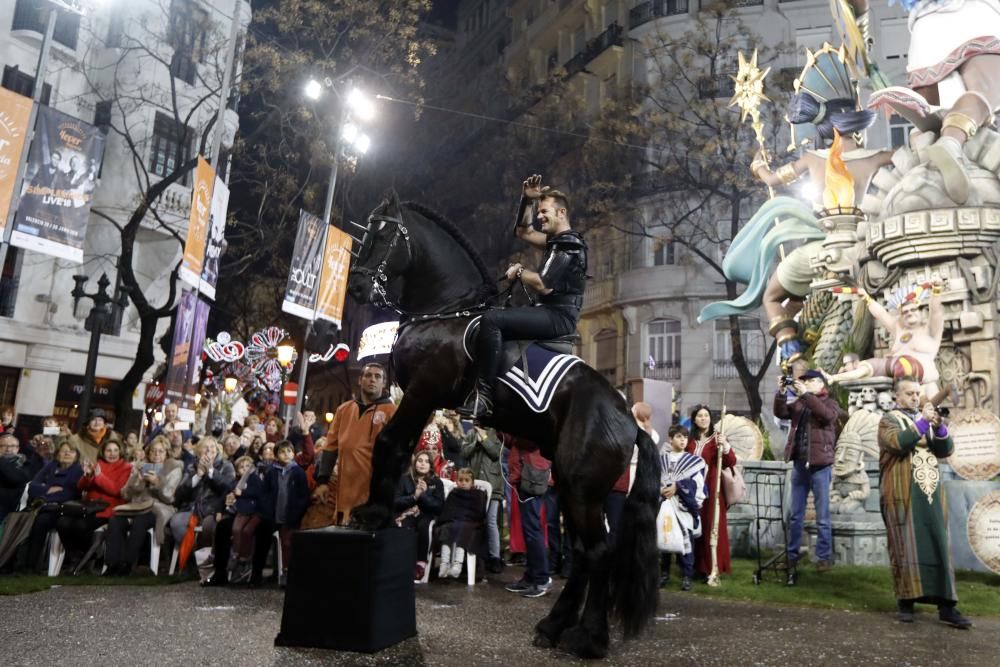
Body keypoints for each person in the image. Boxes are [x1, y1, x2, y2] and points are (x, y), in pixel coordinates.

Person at [459, 174, 587, 419]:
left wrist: (519, 270)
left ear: (561, 213)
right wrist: (527, 200)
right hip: (548, 311)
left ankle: (484, 397)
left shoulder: (569, 244)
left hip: (558, 316)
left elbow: (543, 283)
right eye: (538, 212)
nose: (539, 217)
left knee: (492, 320)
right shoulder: (555, 240)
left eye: (544, 211)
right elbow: (523, 232)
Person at [878, 377, 972, 628]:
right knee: (904, 547)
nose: (914, 397)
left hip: (930, 496)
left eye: (917, 393)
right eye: (909, 393)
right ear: (897, 396)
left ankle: (947, 607)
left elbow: (946, 450)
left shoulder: (926, 421)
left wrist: (939, 426)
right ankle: (906, 603)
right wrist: (923, 421)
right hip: (902, 494)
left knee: (939, 545)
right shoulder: (888, 420)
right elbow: (899, 443)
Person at [773, 370, 842, 585]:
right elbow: (782, 412)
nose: (805, 384)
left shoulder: (829, 403)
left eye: (810, 381)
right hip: (799, 464)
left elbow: (826, 416)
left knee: (822, 515)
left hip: (820, 465)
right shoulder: (801, 403)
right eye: (803, 381)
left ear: (820, 383)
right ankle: (792, 555)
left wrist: (805, 395)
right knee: (795, 514)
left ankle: (823, 557)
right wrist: (781, 392)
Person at [825, 278, 945, 398]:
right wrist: (867, 298)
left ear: (922, 312)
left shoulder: (930, 330)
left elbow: (935, 311)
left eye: (913, 309)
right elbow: (881, 314)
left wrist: (936, 291)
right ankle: (834, 378)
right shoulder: (899, 329)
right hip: (895, 384)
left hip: (924, 385)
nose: (909, 313)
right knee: (864, 368)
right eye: (905, 311)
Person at [314, 362, 396, 525]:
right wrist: (323, 481)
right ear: (360, 380)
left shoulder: (392, 411)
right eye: (368, 375)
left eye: (377, 376)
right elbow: (330, 447)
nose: (372, 379)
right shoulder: (343, 410)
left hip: (374, 495)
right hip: (345, 494)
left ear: (383, 383)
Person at [104, 436, 182, 575]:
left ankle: (127, 565)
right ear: (148, 453)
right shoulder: (139, 467)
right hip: (136, 507)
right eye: (153, 451)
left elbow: (170, 498)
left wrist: (157, 483)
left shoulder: (174, 468)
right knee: (115, 520)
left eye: (161, 451)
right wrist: (136, 483)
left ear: (167, 453)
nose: (157, 455)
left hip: (158, 508)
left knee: (140, 522)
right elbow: (125, 495)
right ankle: (112, 564)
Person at [56, 439, 130, 570]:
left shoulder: (126, 468)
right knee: (62, 522)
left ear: (120, 452)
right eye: (108, 450)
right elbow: (81, 487)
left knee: (81, 525)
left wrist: (99, 476)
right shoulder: (98, 464)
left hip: (108, 509)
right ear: (103, 452)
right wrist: (87, 475)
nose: (112, 453)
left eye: (115, 450)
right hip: (89, 507)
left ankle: (87, 555)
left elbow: (117, 490)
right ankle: (76, 555)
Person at [13, 442, 83, 572]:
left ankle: (30, 565)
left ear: (76, 456)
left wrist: (45, 495)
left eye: (71, 451)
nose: (67, 453)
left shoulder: (78, 470)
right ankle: (16, 561)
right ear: (57, 454)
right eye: (64, 451)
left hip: (62, 509)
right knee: (24, 519)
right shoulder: (51, 466)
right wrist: (48, 489)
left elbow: (71, 493)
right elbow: (33, 487)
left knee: (41, 521)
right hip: (43, 506)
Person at [685, 405, 736, 582]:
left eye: (706, 415)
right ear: (694, 419)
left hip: (711, 488)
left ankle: (712, 566)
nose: (703, 418)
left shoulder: (717, 438)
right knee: (693, 526)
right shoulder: (689, 440)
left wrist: (725, 446)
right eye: (700, 415)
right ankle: (693, 567)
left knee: (711, 525)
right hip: (691, 489)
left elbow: (731, 461)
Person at [504, 436, 558, 598]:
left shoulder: (536, 415)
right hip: (523, 474)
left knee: (533, 529)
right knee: (528, 528)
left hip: (532, 474)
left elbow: (532, 439)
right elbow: (508, 442)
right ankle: (531, 577)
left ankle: (541, 579)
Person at [168, 437, 235, 558]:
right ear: (198, 452)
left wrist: (211, 471)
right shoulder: (190, 467)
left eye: (212, 447)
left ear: (217, 450)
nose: (209, 450)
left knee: (211, 526)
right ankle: (194, 558)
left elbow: (228, 487)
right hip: (191, 509)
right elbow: (179, 495)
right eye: (205, 447)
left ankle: (206, 560)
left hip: (213, 510)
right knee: (176, 522)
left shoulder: (227, 466)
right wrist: (197, 476)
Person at [659, 425, 707, 591]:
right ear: (670, 439)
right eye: (679, 437)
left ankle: (687, 575)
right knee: (664, 537)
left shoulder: (693, 462)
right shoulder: (661, 460)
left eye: (685, 437)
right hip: (664, 505)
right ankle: (664, 573)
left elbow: (698, 485)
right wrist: (661, 490)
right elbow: (654, 480)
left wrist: (679, 487)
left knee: (686, 540)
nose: (682, 440)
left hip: (683, 507)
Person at [394, 450, 445, 582]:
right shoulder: (405, 479)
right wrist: (414, 497)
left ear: (431, 465)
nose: (422, 464)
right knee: (404, 525)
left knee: (423, 525)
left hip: (427, 515)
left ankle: (420, 564)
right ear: (415, 462)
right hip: (407, 514)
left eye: (426, 461)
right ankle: (402, 564)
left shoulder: (436, 482)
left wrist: (424, 495)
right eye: (420, 461)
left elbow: (439, 507)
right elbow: (395, 501)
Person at [461, 425, 505, 573]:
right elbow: (464, 452)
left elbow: (495, 453)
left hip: (493, 485)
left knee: (491, 521)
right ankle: (475, 556)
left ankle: (495, 558)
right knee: (475, 521)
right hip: (475, 485)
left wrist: (484, 438)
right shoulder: (470, 433)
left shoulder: (497, 433)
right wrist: (476, 442)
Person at [265, 440, 309, 587]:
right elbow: (267, 492)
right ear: (277, 455)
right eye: (282, 452)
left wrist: (297, 512)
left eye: (289, 451)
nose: (286, 454)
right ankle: (278, 571)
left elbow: (303, 495)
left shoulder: (298, 472)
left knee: (288, 543)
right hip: (277, 512)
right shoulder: (272, 471)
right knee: (278, 543)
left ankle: (288, 571)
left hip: (292, 514)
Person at [434, 468, 487, 579]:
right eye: (461, 480)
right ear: (457, 481)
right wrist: (453, 518)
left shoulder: (478, 495)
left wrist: (463, 518)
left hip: (470, 523)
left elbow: (478, 512)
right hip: (454, 521)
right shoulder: (454, 494)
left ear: (472, 482)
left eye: (466, 480)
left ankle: (457, 565)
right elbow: (447, 511)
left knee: (462, 530)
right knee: (446, 528)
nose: (463, 483)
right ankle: (444, 564)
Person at [0, 432, 31, 524]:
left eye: (13, 446)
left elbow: (16, 478)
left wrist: (1, 460)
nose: (8, 449)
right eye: (3, 445)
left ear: (18, 448)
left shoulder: (24, 463)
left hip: (6, 505)